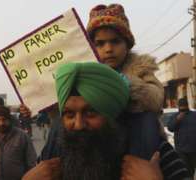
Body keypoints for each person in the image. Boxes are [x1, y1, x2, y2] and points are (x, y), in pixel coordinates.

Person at [40, 3, 165, 161]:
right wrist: (43, 104)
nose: (108, 49)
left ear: (127, 44)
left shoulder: (140, 69)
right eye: (100, 43)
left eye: (115, 41)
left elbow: (156, 99)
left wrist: (127, 87)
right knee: (59, 125)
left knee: (147, 120)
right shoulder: (80, 74)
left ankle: (141, 166)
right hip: (93, 138)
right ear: (91, 47)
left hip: (130, 135)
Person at [24, 62, 190, 180]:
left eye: (90, 112)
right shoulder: (53, 155)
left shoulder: (154, 153)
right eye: (69, 114)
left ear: (113, 114)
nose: (78, 124)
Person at [0, 106, 37, 180]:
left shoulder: (22, 136)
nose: (1, 123)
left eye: (4, 119)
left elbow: (31, 161)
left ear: (9, 120)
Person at [168, 97, 196, 177]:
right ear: (178, 107)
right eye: (181, 108)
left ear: (187, 106)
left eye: (185, 108)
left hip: (193, 149)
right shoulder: (175, 116)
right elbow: (170, 128)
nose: (183, 111)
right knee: (184, 170)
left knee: (192, 170)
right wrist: (177, 119)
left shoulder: (194, 115)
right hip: (181, 150)